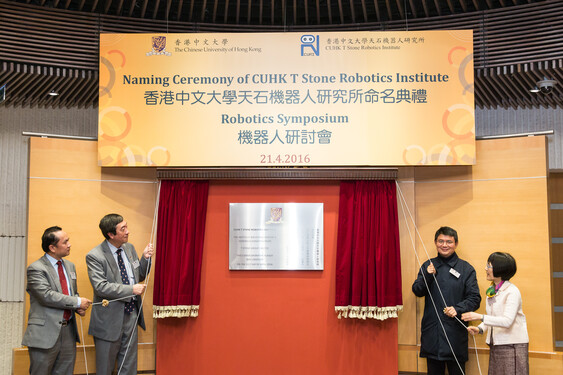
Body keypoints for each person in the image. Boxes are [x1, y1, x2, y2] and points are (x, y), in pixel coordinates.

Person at [86, 214, 154, 375]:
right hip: (108, 320)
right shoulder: (95, 256)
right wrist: (131, 290)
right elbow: (100, 287)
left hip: (131, 314)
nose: (128, 232)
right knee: (105, 367)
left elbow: (138, 277)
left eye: (126, 226)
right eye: (123, 229)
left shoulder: (129, 248)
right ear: (111, 234)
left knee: (128, 365)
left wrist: (145, 258)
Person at [22, 226, 92, 375]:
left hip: (68, 331)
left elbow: (72, 293)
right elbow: (46, 295)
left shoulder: (70, 266)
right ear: (52, 247)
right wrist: (77, 302)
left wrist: (77, 307)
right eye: (65, 242)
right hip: (44, 333)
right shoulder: (36, 268)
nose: (69, 244)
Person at [412, 226, 481, 375]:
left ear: (456, 244)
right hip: (432, 333)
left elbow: (475, 298)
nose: (444, 245)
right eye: (441, 241)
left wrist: (458, 308)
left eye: (449, 242)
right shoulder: (428, 265)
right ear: (435, 243)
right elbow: (417, 291)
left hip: (455, 333)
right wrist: (428, 276)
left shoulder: (466, 269)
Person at [462, 252, 529, 375]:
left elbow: (507, 321)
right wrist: (480, 328)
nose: (486, 269)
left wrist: (479, 317)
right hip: (496, 344)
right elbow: (494, 317)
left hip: (511, 345)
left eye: (489, 266)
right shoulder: (492, 289)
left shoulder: (512, 291)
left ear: (500, 269)